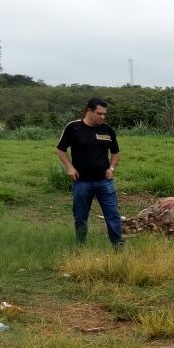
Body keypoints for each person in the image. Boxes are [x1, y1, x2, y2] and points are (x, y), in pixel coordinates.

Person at [56, 98, 123, 247]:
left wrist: (111, 168)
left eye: (104, 114)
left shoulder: (107, 130)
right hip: (82, 182)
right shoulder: (73, 128)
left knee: (112, 214)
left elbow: (116, 153)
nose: (103, 117)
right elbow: (60, 150)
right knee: (80, 216)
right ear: (89, 110)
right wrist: (69, 167)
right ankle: (81, 246)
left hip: (104, 181)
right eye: (99, 113)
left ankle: (118, 246)